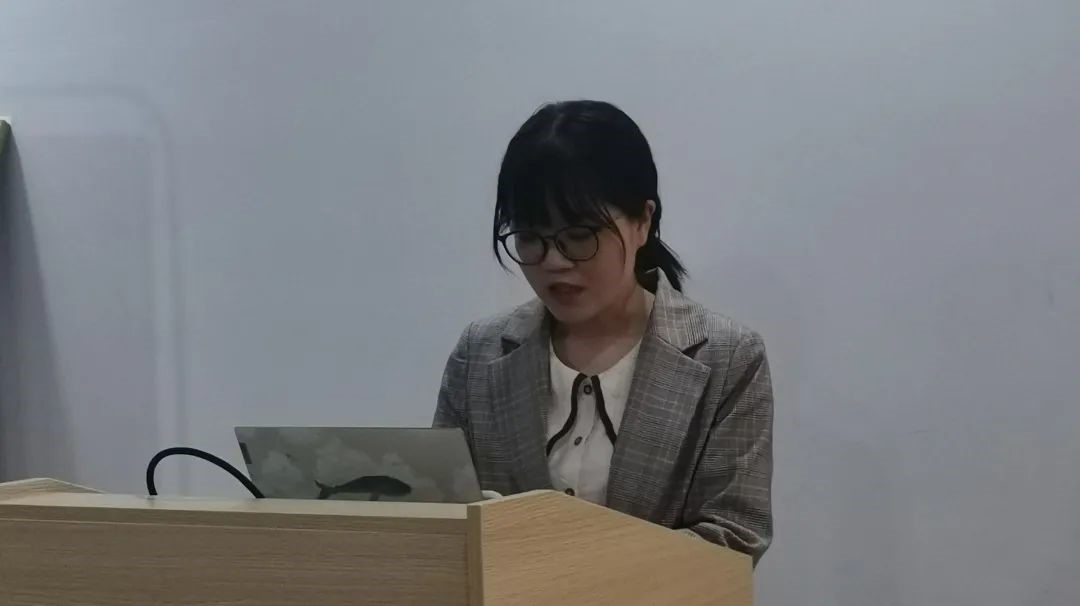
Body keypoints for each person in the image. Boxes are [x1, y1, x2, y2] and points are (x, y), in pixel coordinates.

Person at [434, 100, 773, 562]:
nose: (554, 261)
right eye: (530, 237)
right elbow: (442, 515)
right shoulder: (479, 352)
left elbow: (734, 536)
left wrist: (581, 570)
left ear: (643, 222)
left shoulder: (727, 358)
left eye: (579, 235)